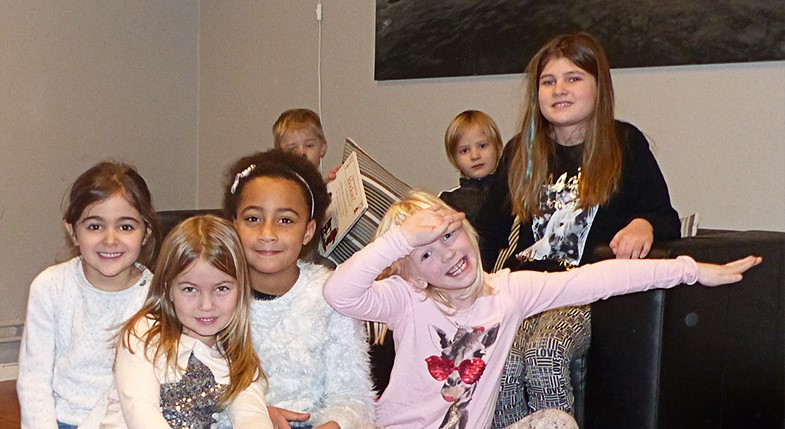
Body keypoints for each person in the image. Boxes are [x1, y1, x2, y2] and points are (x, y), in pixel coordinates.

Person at [323, 191, 760, 429]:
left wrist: (689, 270)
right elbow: (339, 293)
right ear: (414, 274)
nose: (447, 254)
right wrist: (400, 240)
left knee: (556, 423)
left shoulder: (508, 291)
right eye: (424, 252)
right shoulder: (406, 298)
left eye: (448, 236)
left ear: (466, 230)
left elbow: (601, 278)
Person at [476, 32, 682, 425]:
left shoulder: (624, 143)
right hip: (524, 289)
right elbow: (487, 232)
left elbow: (664, 215)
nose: (559, 90)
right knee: (503, 357)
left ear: (598, 86)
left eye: (573, 78)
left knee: (545, 351)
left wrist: (643, 224)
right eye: (548, 81)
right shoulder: (521, 151)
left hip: (583, 292)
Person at [221, 149, 376, 429]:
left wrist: (336, 424)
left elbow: (353, 398)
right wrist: (253, 414)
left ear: (308, 231)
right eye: (253, 219)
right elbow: (196, 395)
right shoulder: (212, 298)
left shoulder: (330, 295)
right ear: (234, 226)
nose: (267, 233)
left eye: (285, 220)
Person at [17, 161, 160, 429]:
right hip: (60, 420)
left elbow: (134, 391)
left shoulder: (156, 297)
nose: (110, 239)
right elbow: (34, 379)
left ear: (146, 233)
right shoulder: (49, 287)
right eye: (95, 226)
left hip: (125, 421)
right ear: (73, 232)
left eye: (126, 227)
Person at [101, 215, 272, 428]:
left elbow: (252, 416)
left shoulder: (236, 356)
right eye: (190, 289)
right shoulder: (144, 334)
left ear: (241, 290)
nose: (206, 305)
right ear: (168, 290)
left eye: (221, 289)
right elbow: (141, 411)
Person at [438, 110, 504, 228]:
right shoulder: (447, 202)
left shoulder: (514, 194)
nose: (475, 156)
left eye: (482, 146)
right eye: (464, 151)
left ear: (497, 147)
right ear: (454, 158)